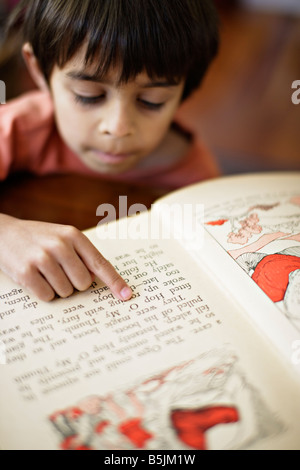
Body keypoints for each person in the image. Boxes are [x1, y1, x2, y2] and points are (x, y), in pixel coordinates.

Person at [0, 0, 220, 302]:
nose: (118, 127)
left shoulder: (195, 175)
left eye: (152, 101)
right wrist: (6, 235)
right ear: (39, 69)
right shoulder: (19, 127)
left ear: (185, 88)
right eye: (88, 96)